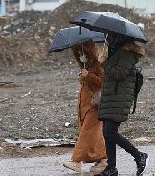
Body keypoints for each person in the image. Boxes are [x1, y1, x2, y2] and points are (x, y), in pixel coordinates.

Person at [94, 32, 148, 176]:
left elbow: (118, 73)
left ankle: (139, 155)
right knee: (108, 134)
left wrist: (104, 62)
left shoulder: (127, 54)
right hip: (111, 98)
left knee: (110, 132)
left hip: (119, 99)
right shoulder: (118, 52)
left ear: (119, 39)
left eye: (111, 38)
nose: (109, 40)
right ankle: (111, 168)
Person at [63, 40, 108, 173]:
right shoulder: (85, 65)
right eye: (79, 52)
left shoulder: (99, 65)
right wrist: (84, 75)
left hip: (94, 105)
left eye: (83, 52)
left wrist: (89, 76)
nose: (81, 55)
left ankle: (76, 161)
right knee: (93, 133)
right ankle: (103, 159)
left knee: (87, 132)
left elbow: (102, 82)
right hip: (84, 105)